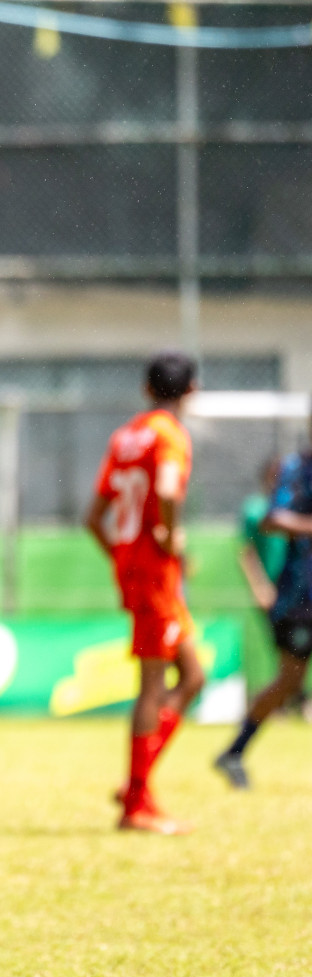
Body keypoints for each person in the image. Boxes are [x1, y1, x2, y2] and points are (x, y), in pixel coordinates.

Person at [84, 350, 203, 836]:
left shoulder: (127, 436)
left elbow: (95, 517)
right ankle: (137, 804)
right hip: (156, 574)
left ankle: (138, 780)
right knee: (155, 685)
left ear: (146, 390)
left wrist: (123, 557)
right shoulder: (170, 435)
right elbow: (170, 492)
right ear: (190, 392)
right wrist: (169, 536)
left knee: (193, 675)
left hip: (141, 571)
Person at [215, 442, 312, 788]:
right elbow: (270, 523)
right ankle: (235, 751)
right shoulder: (295, 470)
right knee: (288, 682)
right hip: (299, 598)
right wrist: (261, 589)